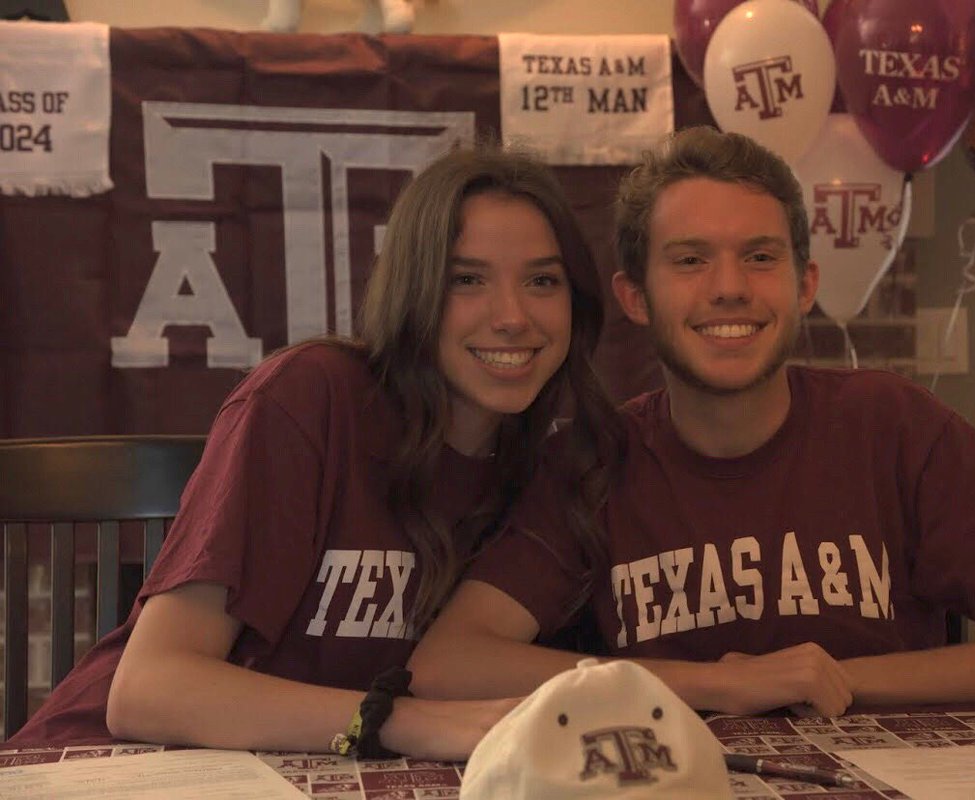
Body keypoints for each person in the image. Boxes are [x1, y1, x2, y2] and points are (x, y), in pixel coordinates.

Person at [408, 126, 975, 717]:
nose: (729, 289)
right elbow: (448, 663)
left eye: (759, 257)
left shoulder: (892, 426)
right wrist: (720, 686)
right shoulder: (596, 459)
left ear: (804, 283)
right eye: (690, 260)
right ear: (635, 297)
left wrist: (835, 681)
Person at [9, 146, 620, 759]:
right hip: (113, 766)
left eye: (542, 280)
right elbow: (148, 690)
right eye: (466, 280)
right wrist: (406, 722)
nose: (513, 317)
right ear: (413, 289)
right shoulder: (312, 397)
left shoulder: (550, 470)